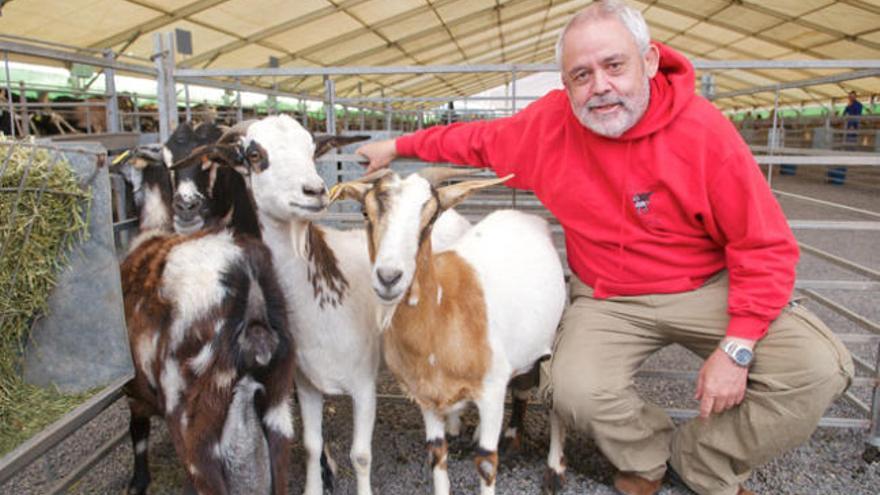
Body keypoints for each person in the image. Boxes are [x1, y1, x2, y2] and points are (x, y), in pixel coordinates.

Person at [356, 1, 854, 495]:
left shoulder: (704, 133)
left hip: (707, 285)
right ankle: (648, 456)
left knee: (817, 367)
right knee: (573, 389)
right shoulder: (548, 128)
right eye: (581, 75)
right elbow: (476, 140)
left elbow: (763, 242)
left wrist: (738, 344)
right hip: (609, 295)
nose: (600, 86)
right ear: (565, 83)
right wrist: (397, 148)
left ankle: (703, 460)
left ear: (650, 61)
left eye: (614, 65)